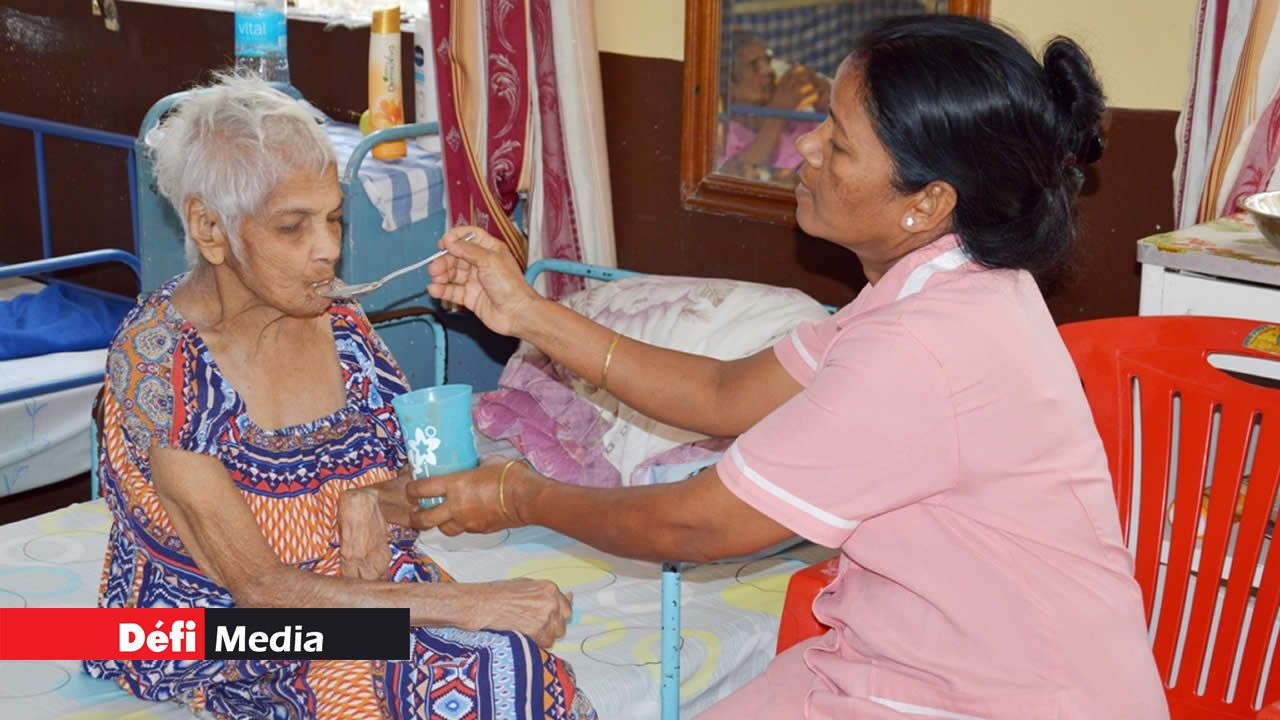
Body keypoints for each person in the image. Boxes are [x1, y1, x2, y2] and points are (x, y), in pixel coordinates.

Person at [406, 15, 1168, 720]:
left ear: (927, 202)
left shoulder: (926, 344)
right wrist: (526, 313)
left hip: (1007, 697)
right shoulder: (944, 285)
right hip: (909, 661)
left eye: (839, 143)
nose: (806, 148)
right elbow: (722, 392)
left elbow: (698, 521)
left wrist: (518, 498)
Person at [85, 74, 595, 720]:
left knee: (513, 671)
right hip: (218, 630)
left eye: (332, 218)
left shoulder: (342, 328)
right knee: (394, 693)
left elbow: (415, 483)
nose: (328, 250)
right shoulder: (160, 362)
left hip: (344, 596)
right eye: (292, 227)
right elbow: (260, 590)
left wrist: (373, 500)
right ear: (210, 229)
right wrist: (470, 603)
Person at [719, 30, 830, 182]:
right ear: (729, 84)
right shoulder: (725, 134)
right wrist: (778, 111)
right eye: (754, 65)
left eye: (767, 62)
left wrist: (827, 105)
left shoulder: (799, 119)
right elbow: (745, 176)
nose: (769, 71)